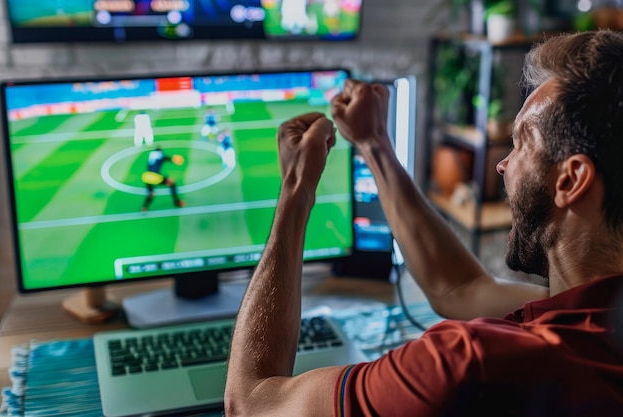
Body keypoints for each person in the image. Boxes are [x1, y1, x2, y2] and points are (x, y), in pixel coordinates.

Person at [225, 30, 623, 416]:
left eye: (521, 142)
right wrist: (373, 141)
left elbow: (250, 404)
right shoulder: (595, 319)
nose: (503, 164)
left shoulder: (468, 363)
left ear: (571, 180)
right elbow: (460, 289)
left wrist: (296, 188)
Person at [141, 146, 185, 211]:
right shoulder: (160, 155)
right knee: (171, 183)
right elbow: (169, 159)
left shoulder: (151, 155)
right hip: (155, 177)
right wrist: (175, 160)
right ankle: (177, 202)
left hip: (146, 176)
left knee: (151, 193)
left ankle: (144, 207)